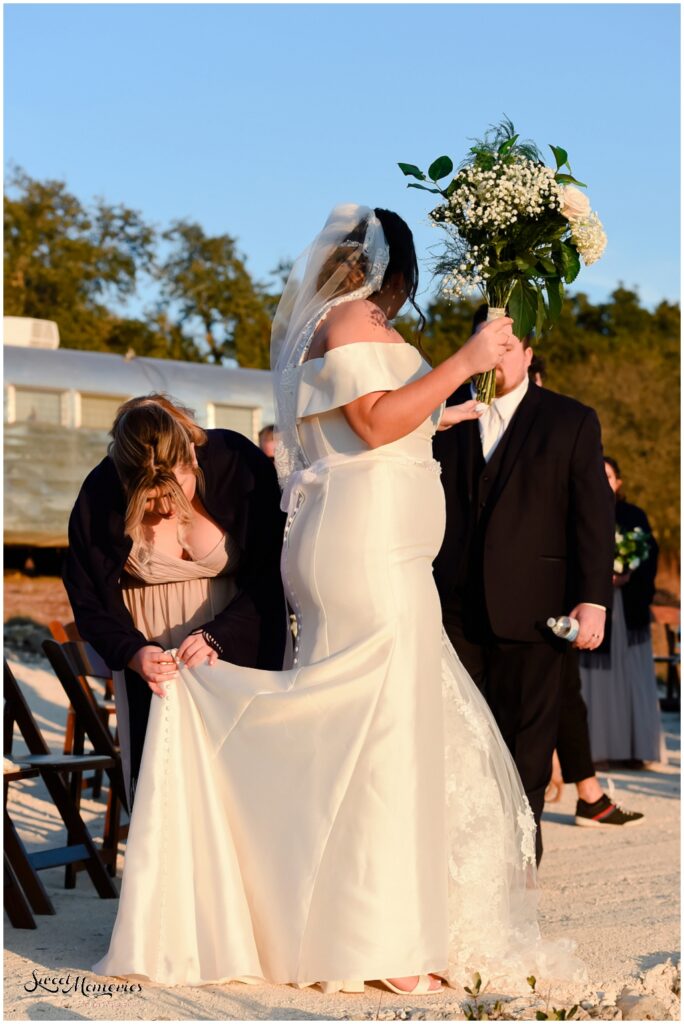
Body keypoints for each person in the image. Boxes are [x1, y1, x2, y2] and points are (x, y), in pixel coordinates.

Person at [86, 205, 583, 994]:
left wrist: (442, 406)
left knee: (371, 733)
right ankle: (370, 943)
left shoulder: (338, 325)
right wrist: (463, 359)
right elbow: (374, 420)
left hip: (374, 550)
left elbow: (374, 427)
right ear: (395, 270)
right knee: (377, 737)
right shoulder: (351, 322)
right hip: (368, 557)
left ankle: (367, 923)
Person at [433, 303, 616, 863]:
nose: (497, 355)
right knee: (459, 745)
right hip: (452, 612)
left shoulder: (570, 420)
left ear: (529, 355)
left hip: (536, 614)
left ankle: (518, 871)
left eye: (508, 346)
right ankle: (462, 870)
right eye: (487, 343)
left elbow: (592, 517)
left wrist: (592, 600)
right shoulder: (442, 416)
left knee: (526, 751)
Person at [63, 394, 287, 810]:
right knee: (166, 797)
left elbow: (277, 569)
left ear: (192, 456)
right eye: (148, 501)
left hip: (239, 649)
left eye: (177, 492)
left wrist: (223, 634)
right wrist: (132, 653)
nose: (166, 510)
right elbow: (88, 596)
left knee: (243, 792)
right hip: (153, 666)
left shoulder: (236, 461)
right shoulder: (102, 488)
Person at [528, 365, 645, 826]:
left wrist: (591, 594)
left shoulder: (562, 427)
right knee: (560, 696)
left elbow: (589, 515)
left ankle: (586, 794)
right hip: (504, 586)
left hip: (556, 589)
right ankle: (586, 794)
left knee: (563, 693)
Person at [580, 456, 663, 766]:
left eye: (609, 476)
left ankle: (634, 750)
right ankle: (595, 751)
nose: (604, 482)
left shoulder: (633, 515)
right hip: (594, 608)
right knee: (593, 684)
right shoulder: (580, 510)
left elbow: (649, 555)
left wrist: (628, 576)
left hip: (628, 611)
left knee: (632, 681)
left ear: (619, 482)